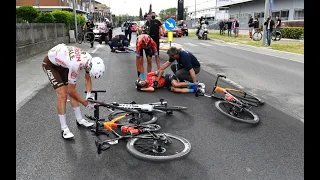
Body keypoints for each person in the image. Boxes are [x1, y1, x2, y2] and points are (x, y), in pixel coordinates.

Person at [42, 44, 105, 139]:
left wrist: (89, 95)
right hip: (50, 65)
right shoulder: (75, 65)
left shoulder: (90, 60)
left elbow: (87, 78)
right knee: (63, 95)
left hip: (63, 63)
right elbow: (71, 91)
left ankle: (79, 119)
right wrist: (86, 103)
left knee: (71, 91)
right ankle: (64, 129)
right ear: (89, 66)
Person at [135, 70, 205, 93]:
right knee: (175, 89)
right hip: (166, 85)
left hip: (168, 78)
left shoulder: (149, 75)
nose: (142, 83)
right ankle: (195, 89)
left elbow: (161, 71)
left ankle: (195, 84)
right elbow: (152, 89)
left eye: (141, 82)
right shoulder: (149, 86)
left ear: (142, 80)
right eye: (141, 84)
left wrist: (157, 80)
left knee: (176, 85)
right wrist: (141, 89)